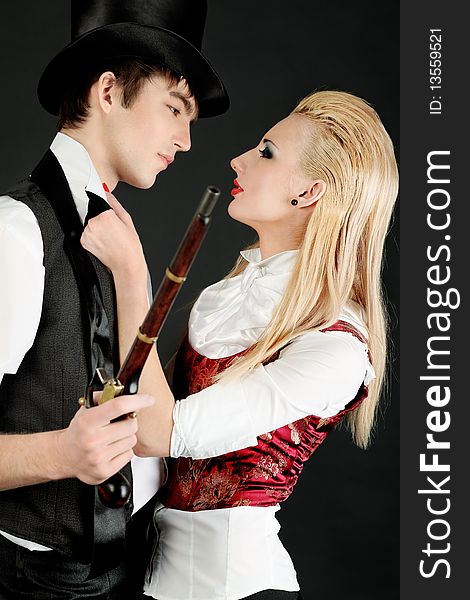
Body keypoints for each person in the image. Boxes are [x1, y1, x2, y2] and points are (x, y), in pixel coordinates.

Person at [81, 90, 399, 600]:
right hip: (146, 575)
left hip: (238, 587)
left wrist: (131, 276)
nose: (238, 159)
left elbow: (161, 431)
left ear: (308, 193)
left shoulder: (336, 348)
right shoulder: (227, 294)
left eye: (267, 152)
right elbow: (135, 409)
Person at [0, 0, 228, 598]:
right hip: (43, 583)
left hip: (133, 564)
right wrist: (60, 453)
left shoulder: (115, 224)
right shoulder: (17, 231)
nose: (184, 141)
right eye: (175, 110)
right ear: (107, 91)